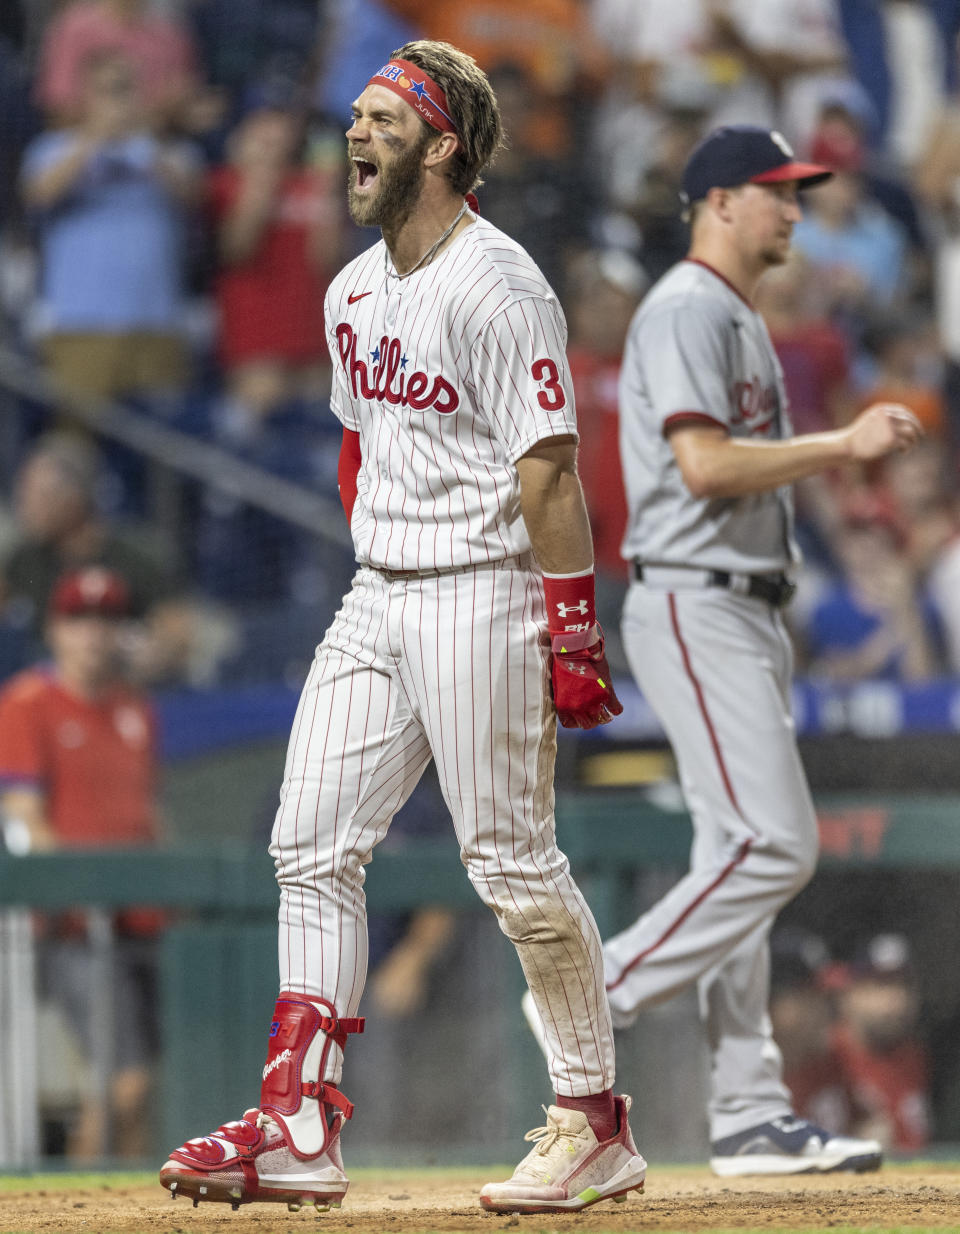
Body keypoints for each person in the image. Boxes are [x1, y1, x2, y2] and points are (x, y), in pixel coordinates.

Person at [158, 39, 646, 1216]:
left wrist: (570, 626)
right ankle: (299, 1122)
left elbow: (549, 469)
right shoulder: (352, 288)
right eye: (354, 119)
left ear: (443, 144)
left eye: (381, 119)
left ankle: (592, 1120)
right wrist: (375, 555)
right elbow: (355, 442)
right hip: (382, 587)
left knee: (512, 865)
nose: (354, 136)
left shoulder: (501, 283)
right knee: (308, 842)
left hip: (486, 587)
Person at [521, 124, 924, 1175]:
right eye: (776, 192)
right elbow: (701, 465)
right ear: (717, 202)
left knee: (729, 852)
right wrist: (841, 444)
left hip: (740, 605)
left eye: (798, 194)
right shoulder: (689, 307)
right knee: (776, 846)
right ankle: (587, 997)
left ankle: (747, 1110)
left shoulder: (732, 313)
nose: (794, 210)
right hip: (697, 602)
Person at [0, 566, 162, 1159]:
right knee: (120, 1084)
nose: (94, 633)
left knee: (141, 1091)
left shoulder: (135, 708)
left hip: (144, 920)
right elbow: (24, 817)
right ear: (54, 629)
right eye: (79, 619)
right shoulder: (27, 703)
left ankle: (138, 1214)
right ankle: (73, 1213)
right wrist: (74, 889)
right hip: (77, 926)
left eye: (107, 620)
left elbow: (148, 813)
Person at [20, 49, 200, 405]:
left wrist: (144, 141)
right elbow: (40, 195)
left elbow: (192, 198)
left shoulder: (171, 152)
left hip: (157, 322)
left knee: (159, 449)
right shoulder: (51, 148)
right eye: (107, 90)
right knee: (77, 438)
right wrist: (94, 138)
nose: (117, 100)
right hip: (79, 324)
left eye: (126, 89)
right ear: (85, 95)